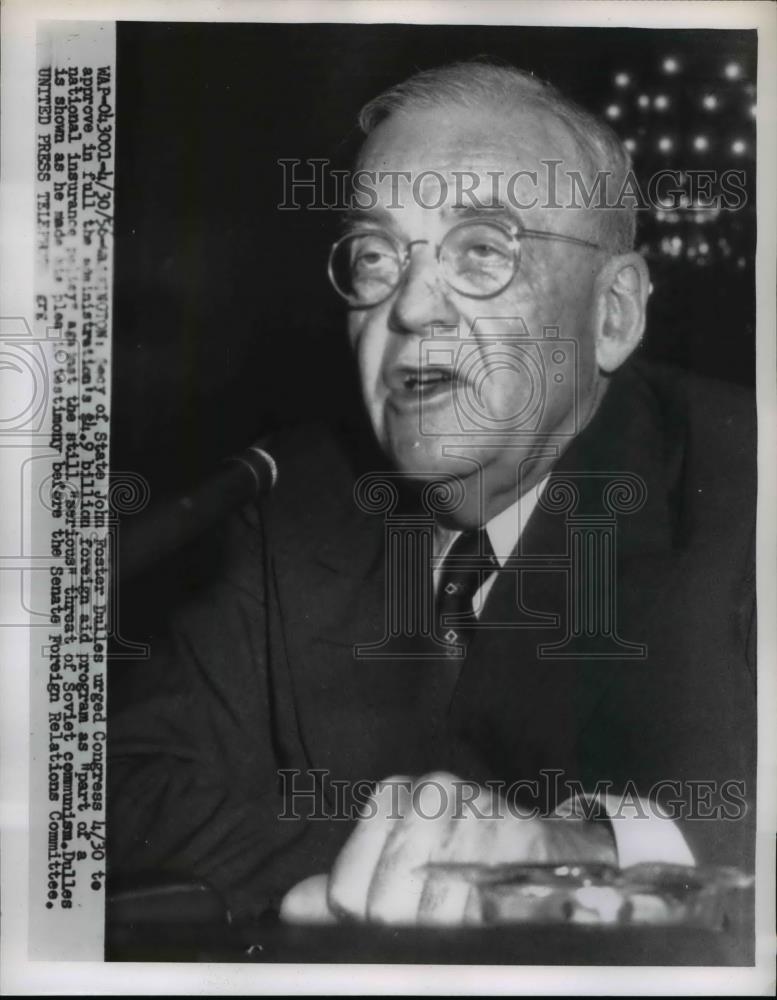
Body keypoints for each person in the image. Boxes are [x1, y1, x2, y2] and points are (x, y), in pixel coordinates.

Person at [108, 62, 756, 928]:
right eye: (375, 256)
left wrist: (590, 866)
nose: (410, 305)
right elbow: (115, 781)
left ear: (612, 314)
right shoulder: (282, 499)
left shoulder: (747, 485)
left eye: (482, 250)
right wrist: (421, 886)